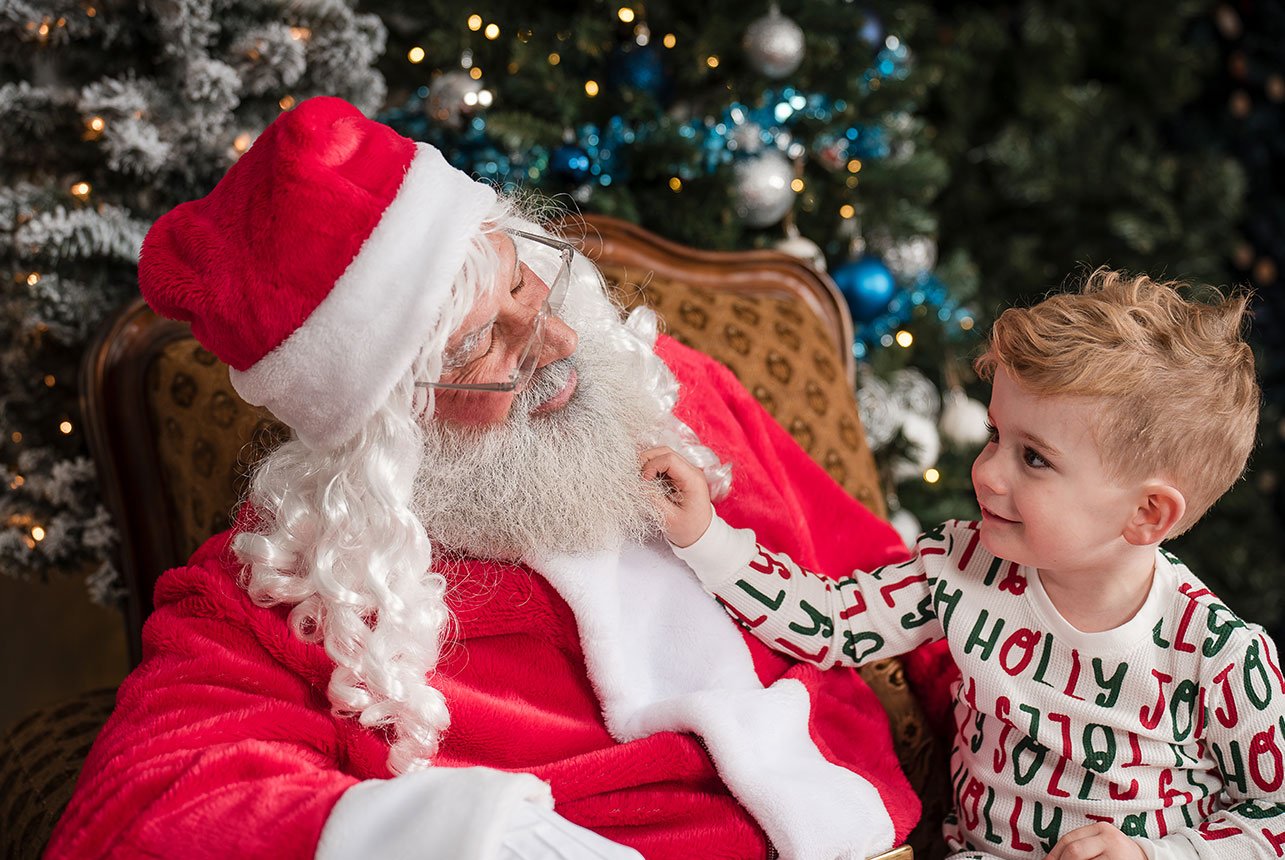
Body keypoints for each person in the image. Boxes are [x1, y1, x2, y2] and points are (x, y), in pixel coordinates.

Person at [46, 96, 921, 860]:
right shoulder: (290, 591)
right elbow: (138, 811)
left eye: (524, 287)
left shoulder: (681, 392)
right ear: (389, 424)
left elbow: (909, 595)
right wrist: (457, 833)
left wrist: (1053, 766)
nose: (561, 347)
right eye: (482, 350)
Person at [645, 270, 1285, 859]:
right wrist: (706, 537)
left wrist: (1154, 855)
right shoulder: (963, 566)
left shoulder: (1218, 657)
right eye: (994, 435)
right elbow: (831, 623)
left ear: (1146, 514)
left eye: (1034, 458)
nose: (986, 472)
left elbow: (1274, 819)